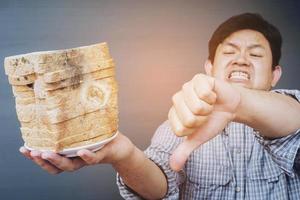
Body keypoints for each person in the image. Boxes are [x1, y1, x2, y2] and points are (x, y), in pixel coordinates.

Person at [20, 13, 300, 199]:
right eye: (229, 52)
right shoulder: (177, 125)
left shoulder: (291, 108)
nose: (240, 60)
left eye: (255, 54)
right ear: (209, 67)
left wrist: (239, 101)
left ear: (275, 74)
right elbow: (160, 187)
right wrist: (123, 154)